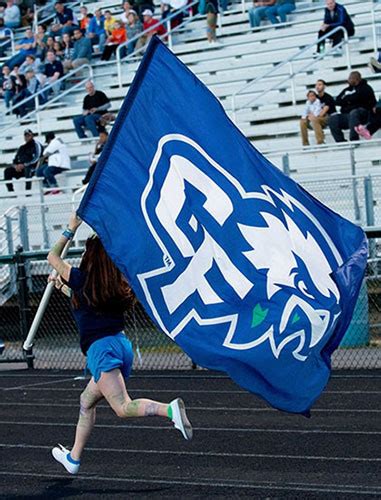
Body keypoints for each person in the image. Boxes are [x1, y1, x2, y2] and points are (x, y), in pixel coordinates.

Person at [48, 213, 193, 475]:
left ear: (90, 257)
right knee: (86, 401)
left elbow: (52, 257)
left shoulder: (82, 278)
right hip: (119, 346)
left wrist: (71, 228)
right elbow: (84, 302)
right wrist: (61, 285)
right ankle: (73, 458)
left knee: (123, 407)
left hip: (102, 351)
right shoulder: (110, 285)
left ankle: (169, 410)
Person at [329, 71, 376, 143]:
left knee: (354, 113)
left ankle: (354, 140)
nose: (348, 80)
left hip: (363, 114)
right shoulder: (347, 90)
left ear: (356, 79)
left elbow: (361, 99)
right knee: (333, 119)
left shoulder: (366, 88)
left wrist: (347, 100)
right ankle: (341, 142)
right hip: (347, 114)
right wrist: (350, 100)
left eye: (350, 78)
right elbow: (338, 101)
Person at [300, 79, 336, 146]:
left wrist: (312, 116)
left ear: (324, 86)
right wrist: (308, 116)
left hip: (328, 118)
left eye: (320, 84)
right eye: (316, 85)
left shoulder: (328, 97)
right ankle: (305, 144)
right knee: (302, 121)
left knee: (315, 119)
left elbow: (322, 113)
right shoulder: (314, 97)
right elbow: (308, 108)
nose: (317, 86)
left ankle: (320, 142)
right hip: (315, 118)